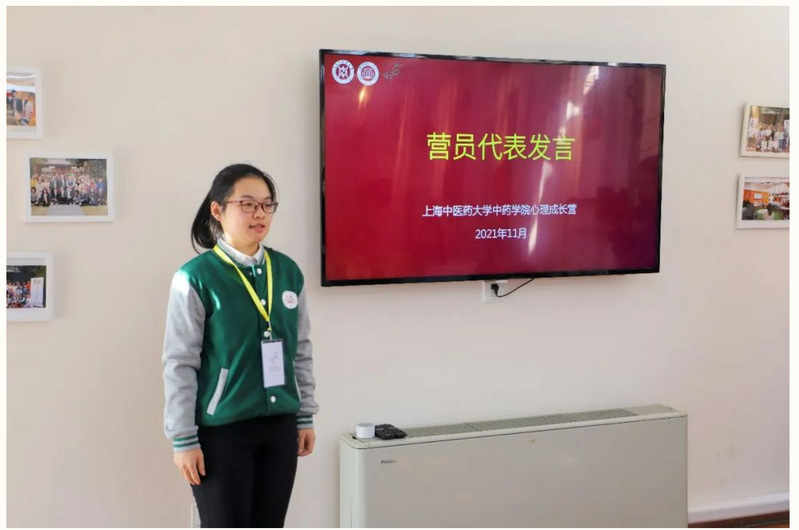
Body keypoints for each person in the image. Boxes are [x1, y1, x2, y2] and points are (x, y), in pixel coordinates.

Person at [162, 163, 318, 528]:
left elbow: (301, 350)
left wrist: (305, 414)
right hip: (221, 432)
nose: (259, 213)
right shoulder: (195, 278)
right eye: (247, 204)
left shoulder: (288, 271)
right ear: (218, 210)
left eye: (267, 204)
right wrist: (183, 439)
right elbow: (180, 362)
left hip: (280, 429)